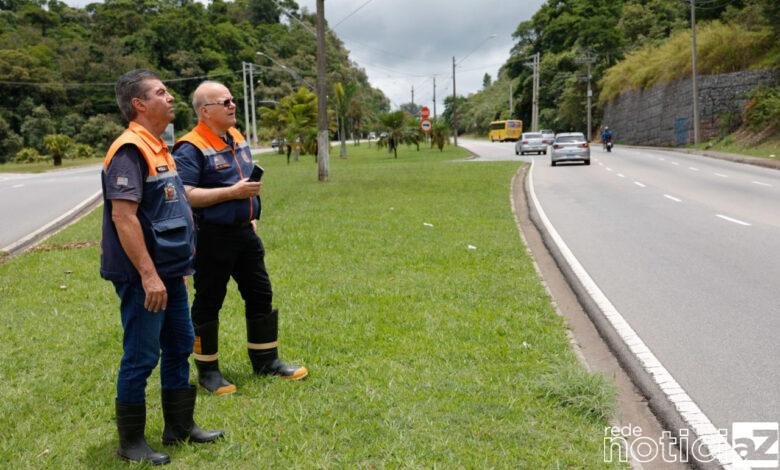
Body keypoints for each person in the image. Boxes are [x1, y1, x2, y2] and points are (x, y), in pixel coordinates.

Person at [100, 69, 223, 465]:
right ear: (139, 104)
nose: (170, 98)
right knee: (141, 354)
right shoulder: (129, 149)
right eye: (161, 92)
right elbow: (124, 217)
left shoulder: (159, 146)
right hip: (144, 278)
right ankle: (131, 442)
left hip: (171, 273)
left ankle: (179, 426)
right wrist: (149, 275)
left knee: (179, 345)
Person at [173, 81, 308, 396]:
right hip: (211, 237)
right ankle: (208, 371)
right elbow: (187, 194)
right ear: (205, 111)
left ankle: (266, 361)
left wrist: (253, 214)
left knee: (260, 294)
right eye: (225, 101)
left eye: (233, 100)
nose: (233, 105)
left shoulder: (236, 137)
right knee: (209, 302)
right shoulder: (190, 146)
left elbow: (247, 181)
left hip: (245, 233)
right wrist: (233, 194)